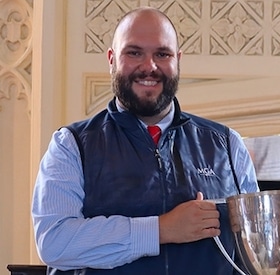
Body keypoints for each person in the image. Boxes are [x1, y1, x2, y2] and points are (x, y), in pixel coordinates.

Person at [31, 7, 259, 275]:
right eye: (134, 52)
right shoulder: (71, 146)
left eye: (162, 54)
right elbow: (54, 243)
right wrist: (161, 229)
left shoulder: (227, 145)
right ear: (112, 59)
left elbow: (255, 247)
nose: (149, 67)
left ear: (178, 61)